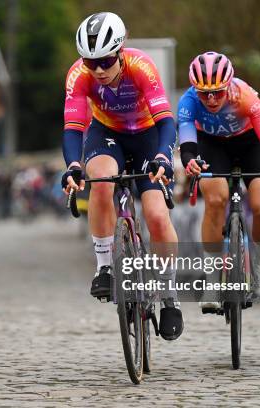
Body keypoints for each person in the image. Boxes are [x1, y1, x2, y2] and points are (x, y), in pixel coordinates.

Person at [61, 12, 182, 340]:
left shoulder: (141, 67)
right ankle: (104, 266)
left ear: (120, 52)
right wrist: (73, 165)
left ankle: (169, 296)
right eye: (91, 62)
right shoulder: (79, 75)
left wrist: (162, 156)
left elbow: (167, 121)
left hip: (146, 134)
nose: (98, 70)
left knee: (157, 214)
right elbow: (73, 128)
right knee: (99, 182)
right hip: (107, 134)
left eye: (105, 61)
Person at [177, 51, 260, 309]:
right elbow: (188, 144)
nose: (211, 99)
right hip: (212, 145)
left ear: (228, 85)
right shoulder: (188, 101)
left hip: (249, 143)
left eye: (217, 91)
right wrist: (189, 161)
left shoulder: (244, 95)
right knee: (215, 200)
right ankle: (213, 279)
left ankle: (259, 264)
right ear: (195, 89)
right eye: (204, 93)